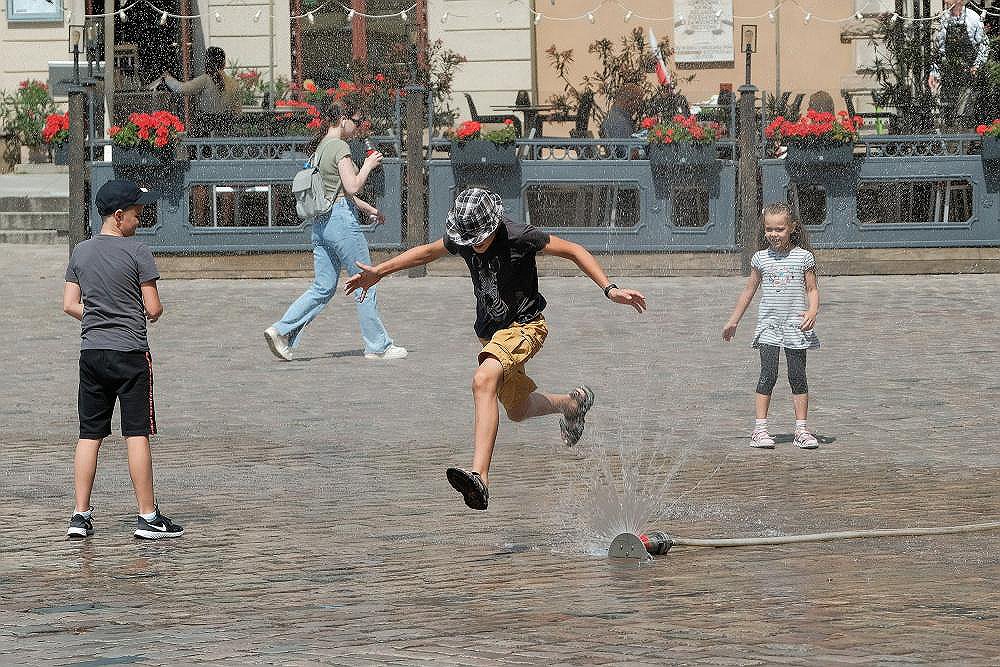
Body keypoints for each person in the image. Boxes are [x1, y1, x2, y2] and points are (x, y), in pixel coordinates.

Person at [343, 187, 646, 510]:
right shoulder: (464, 238)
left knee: (482, 380)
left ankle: (480, 477)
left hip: (526, 328)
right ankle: (572, 404)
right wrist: (379, 272)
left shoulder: (519, 235)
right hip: (491, 336)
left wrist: (609, 289)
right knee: (518, 410)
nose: (474, 244)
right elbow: (426, 252)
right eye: (469, 239)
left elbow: (573, 250)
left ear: (493, 224)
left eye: (480, 238)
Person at [63, 180, 184, 540]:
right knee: (136, 433)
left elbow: (69, 304)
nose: (140, 219)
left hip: (91, 354)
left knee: (89, 434)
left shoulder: (81, 252)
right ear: (118, 216)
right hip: (130, 353)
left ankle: (80, 515)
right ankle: (147, 517)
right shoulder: (137, 252)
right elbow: (153, 308)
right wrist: (137, 313)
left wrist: (98, 314)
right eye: (137, 213)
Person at [264, 97, 406, 362]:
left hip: (321, 224)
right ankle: (378, 346)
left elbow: (336, 191)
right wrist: (368, 165)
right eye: (357, 121)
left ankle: (280, 331)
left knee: (323, 287)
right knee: (366, 280)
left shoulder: (320, 148)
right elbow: (352, 186)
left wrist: (369, 209)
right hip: (341, 223)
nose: (359, 126)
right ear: (343, 120)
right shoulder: (340, 146)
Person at [722, 202, 820, 450]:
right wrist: (734, 320)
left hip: (796, 326)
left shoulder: (803, 257)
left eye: (779, 229)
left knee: (798, 376)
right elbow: (749, 291)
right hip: (769, 327)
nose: (774, 234)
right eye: (769, 229)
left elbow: (812, 289)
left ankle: (801, 430)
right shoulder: (760, 258)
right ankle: (760, 429)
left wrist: (812, 311)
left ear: (792, 228)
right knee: (768, 375)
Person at [928, 0, 989, 127]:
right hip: (950, 74)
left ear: (959, 1)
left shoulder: (973, 18)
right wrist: (934, 72)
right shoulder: (944, 18)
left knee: (966, 115)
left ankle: (966, 137)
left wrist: (977, 65)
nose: (945, 1)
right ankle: (950, 136)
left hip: (971, 74)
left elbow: (984, 45)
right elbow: (939, 49)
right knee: (948, 115)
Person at [160, 46, 242, 135]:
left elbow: (182, 89)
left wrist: (167, 78)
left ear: (207, 62)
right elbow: (237, 113)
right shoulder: (234, 84)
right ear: (224, 63)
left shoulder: (205, 80)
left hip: (205, 129)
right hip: (226, 130)